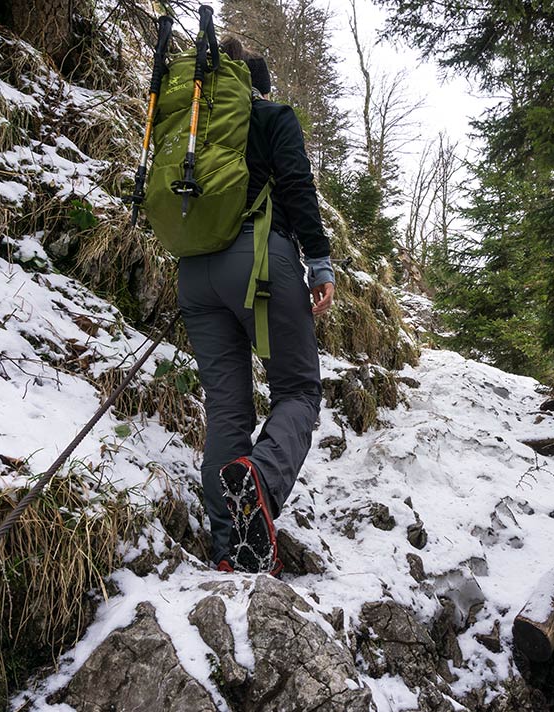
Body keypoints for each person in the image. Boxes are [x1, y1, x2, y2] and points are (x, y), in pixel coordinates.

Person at [177, 38, 335, 574]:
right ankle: (261, 483)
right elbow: (297, 186)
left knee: (226, 411)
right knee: (297, 389)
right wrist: (319, 262)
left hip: (195, 272)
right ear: (256, 85)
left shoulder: (192, 128)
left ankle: (229, 552)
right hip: (259, 258)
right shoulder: (272, 118)